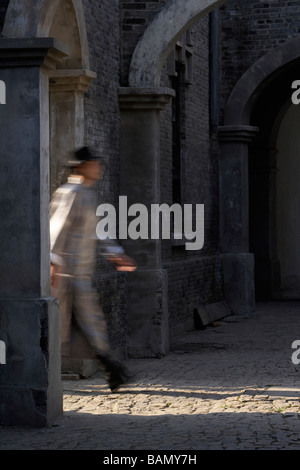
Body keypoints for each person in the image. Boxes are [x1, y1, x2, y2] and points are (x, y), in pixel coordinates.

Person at [50, 146, 136, 392]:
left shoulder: (86, 193)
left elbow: (96, 229)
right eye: (95, 163)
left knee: (88, 324)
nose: (99, 168)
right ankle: (113, 372)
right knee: (78, 325)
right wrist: (53, 261)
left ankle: (113, 371)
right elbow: (56, 227)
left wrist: (115, 253)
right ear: (83, 166)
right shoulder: (71, 192)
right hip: (67, 273)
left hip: (79, 272)